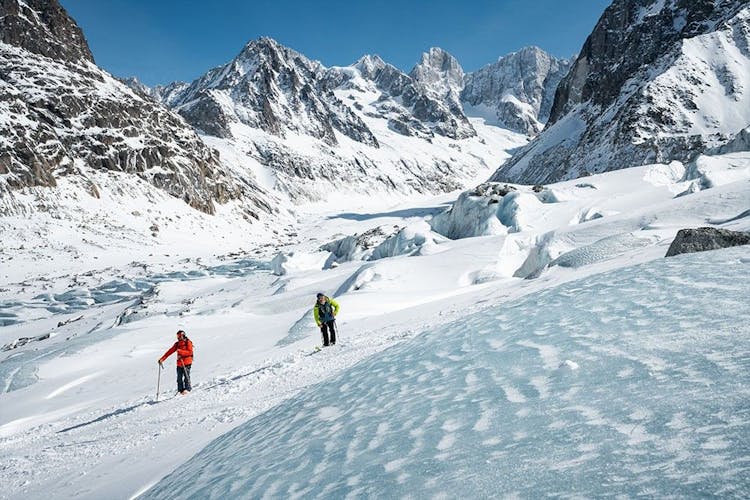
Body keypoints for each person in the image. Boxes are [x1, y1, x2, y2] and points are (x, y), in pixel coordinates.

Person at [158, 330, 194, 394]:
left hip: (187, 362)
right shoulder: (177, 344)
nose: (178, 338)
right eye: (178, 336)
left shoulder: (188, 342)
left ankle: (187, 389)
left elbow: (190, 352)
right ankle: (180, 391)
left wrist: (181, 352)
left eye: (180, 336)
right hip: (179, 363)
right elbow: (170, 351)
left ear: (183, 335)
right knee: (179, 378)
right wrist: (162, 359)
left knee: (186, 376)